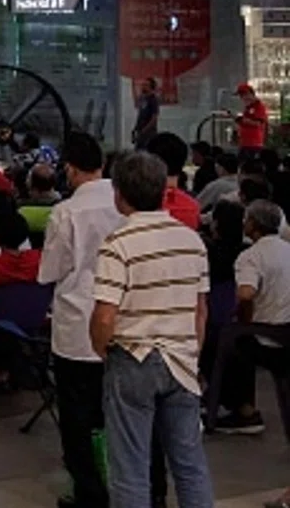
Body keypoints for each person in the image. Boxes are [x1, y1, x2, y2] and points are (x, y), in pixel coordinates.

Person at [89, 151, 213, 508]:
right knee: (190, 465)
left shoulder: (118, 244)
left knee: (130, 469)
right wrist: (192, 352)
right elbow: (200, 310)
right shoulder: (192, 240)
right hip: (183, 361)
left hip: (132, 357)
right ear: (163, 190)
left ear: (118, 193)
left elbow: (104, 315)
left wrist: (102, 348)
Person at [30, 130, 119, 508]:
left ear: (69, 168)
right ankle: (124, 482)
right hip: (119, 319)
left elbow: (50, 270)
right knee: (117, 411)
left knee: (77, 416)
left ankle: (89, 491)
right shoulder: (124, 201)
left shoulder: (67, 211)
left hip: (78, 323)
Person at [212, 200, 290, 434]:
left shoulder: (251, 256)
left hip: (267, 336)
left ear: (254, 224)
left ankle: (241, 409)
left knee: (227, 343)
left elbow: (246, 293)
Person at [236, 82, 270, 156]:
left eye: (243, 95)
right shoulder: (248, 107)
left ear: (250, 94)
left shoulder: (259, 106)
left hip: (253, 144)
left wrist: (244, 120)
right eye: (241, 96)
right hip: (245, 142)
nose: (242, 98)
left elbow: (259, 123)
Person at [133, 77, 163, 147]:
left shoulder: (153, 100)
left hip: (149, 133)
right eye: (143, 85)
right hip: (140, 132)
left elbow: (154, 118)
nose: (143, 86)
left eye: (146, 85)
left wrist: (145, 129)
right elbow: (139, 110)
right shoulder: (142, 98)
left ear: (151, 87)